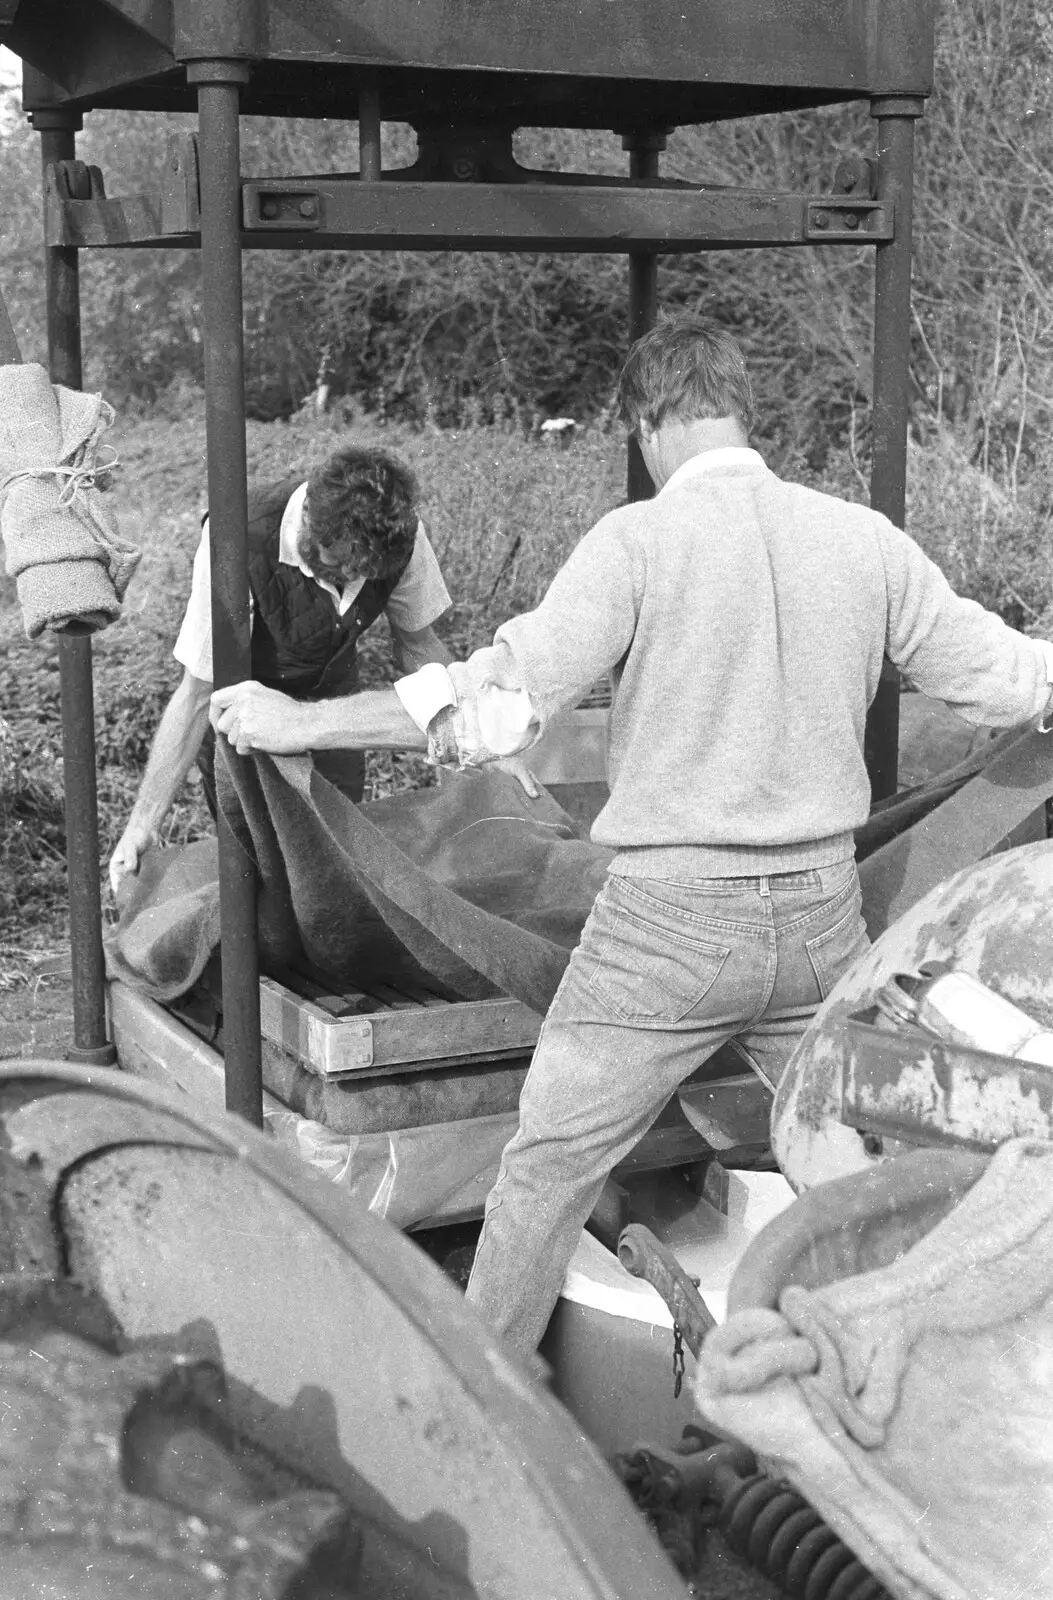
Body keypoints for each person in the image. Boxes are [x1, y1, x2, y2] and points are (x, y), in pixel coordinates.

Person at [208, 315, 1053, 1358]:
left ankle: (488, 1416)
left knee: (547, 1167)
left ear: (650, 422)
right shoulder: (864, 542)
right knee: (855, 1166)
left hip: (670, 933)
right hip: (821, 923)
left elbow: (495, 708)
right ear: (740, 408)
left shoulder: (638, 542)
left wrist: (301, 722)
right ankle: (930, 1373)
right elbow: (1012, 679)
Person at [108, 445, 455, 895]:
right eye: (337, 562)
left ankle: (322, 958)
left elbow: (418, 643)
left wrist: (475, 736)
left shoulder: (398, 536)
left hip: (331, 706)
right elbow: (197, 693)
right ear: (310, 519)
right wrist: (142, 823)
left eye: (363, 570)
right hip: (244, 717)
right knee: (261, 865)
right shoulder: (236, 540)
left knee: (338, 857)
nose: (349, 575)